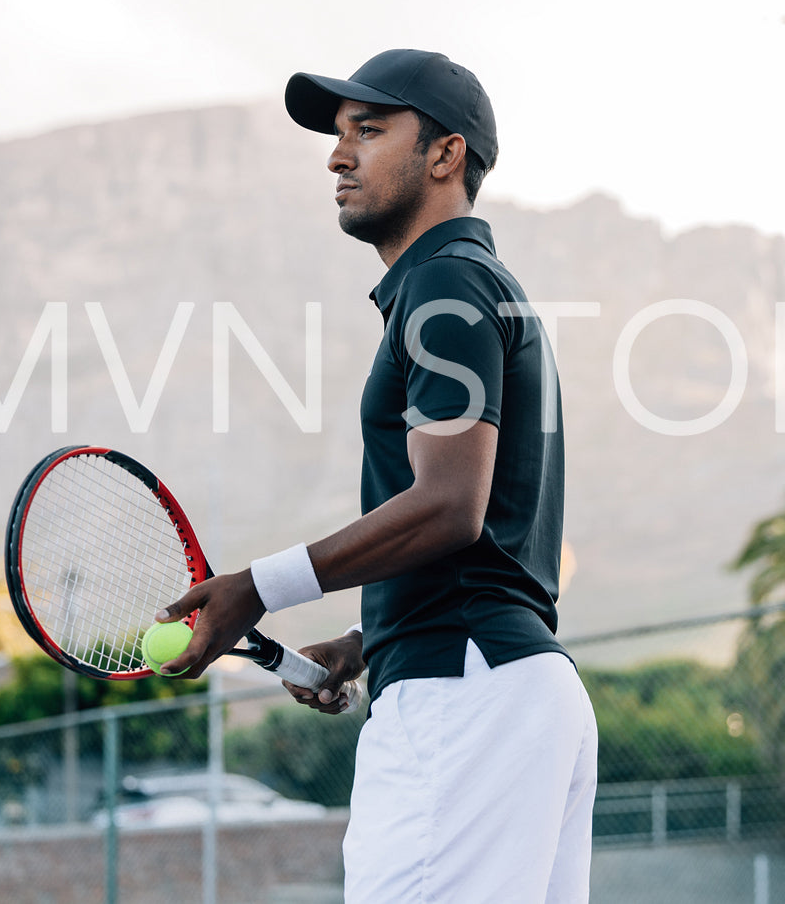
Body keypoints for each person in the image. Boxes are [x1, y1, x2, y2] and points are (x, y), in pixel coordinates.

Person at [155, 49, 598, 902]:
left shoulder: (445, 284)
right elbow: (486, 540)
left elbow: (449, 507)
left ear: (445, 155)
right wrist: (367, 642)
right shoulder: (466, 288)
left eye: (368, 130)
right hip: (504, 688)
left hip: (464, 699)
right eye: (337, 135)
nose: (336, 155)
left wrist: (257, 587)